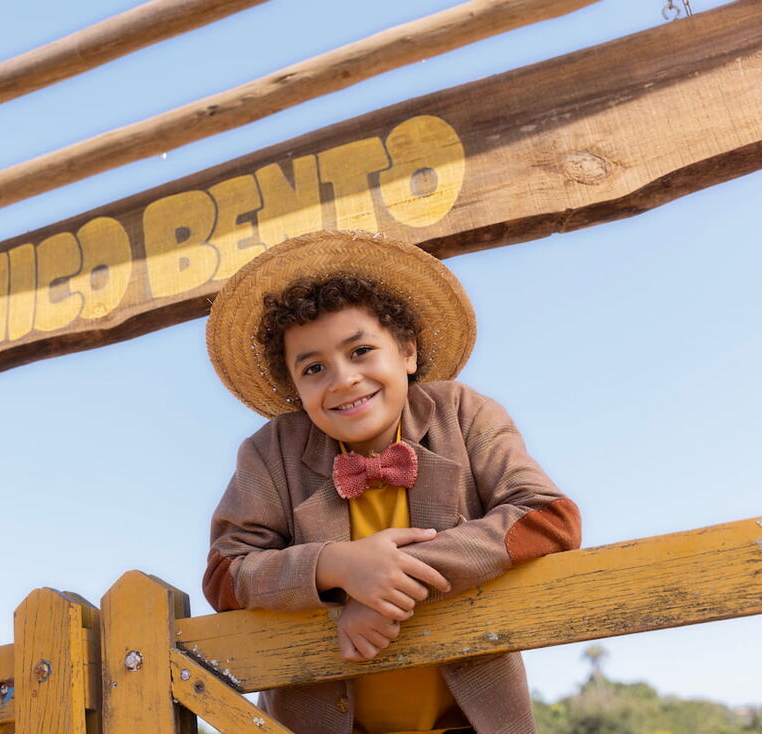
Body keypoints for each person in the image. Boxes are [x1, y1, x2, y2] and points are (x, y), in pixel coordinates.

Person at [202, 230, 581, 734]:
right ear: (296, 388)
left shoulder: (463, 413)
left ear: (406, 351)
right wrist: (336, 567)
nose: (342, 379)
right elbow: (226, 576)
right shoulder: (270, 452)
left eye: (360, 351)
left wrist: (391, 577)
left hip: (470, 719)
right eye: (314, 367)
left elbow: (547, 517)